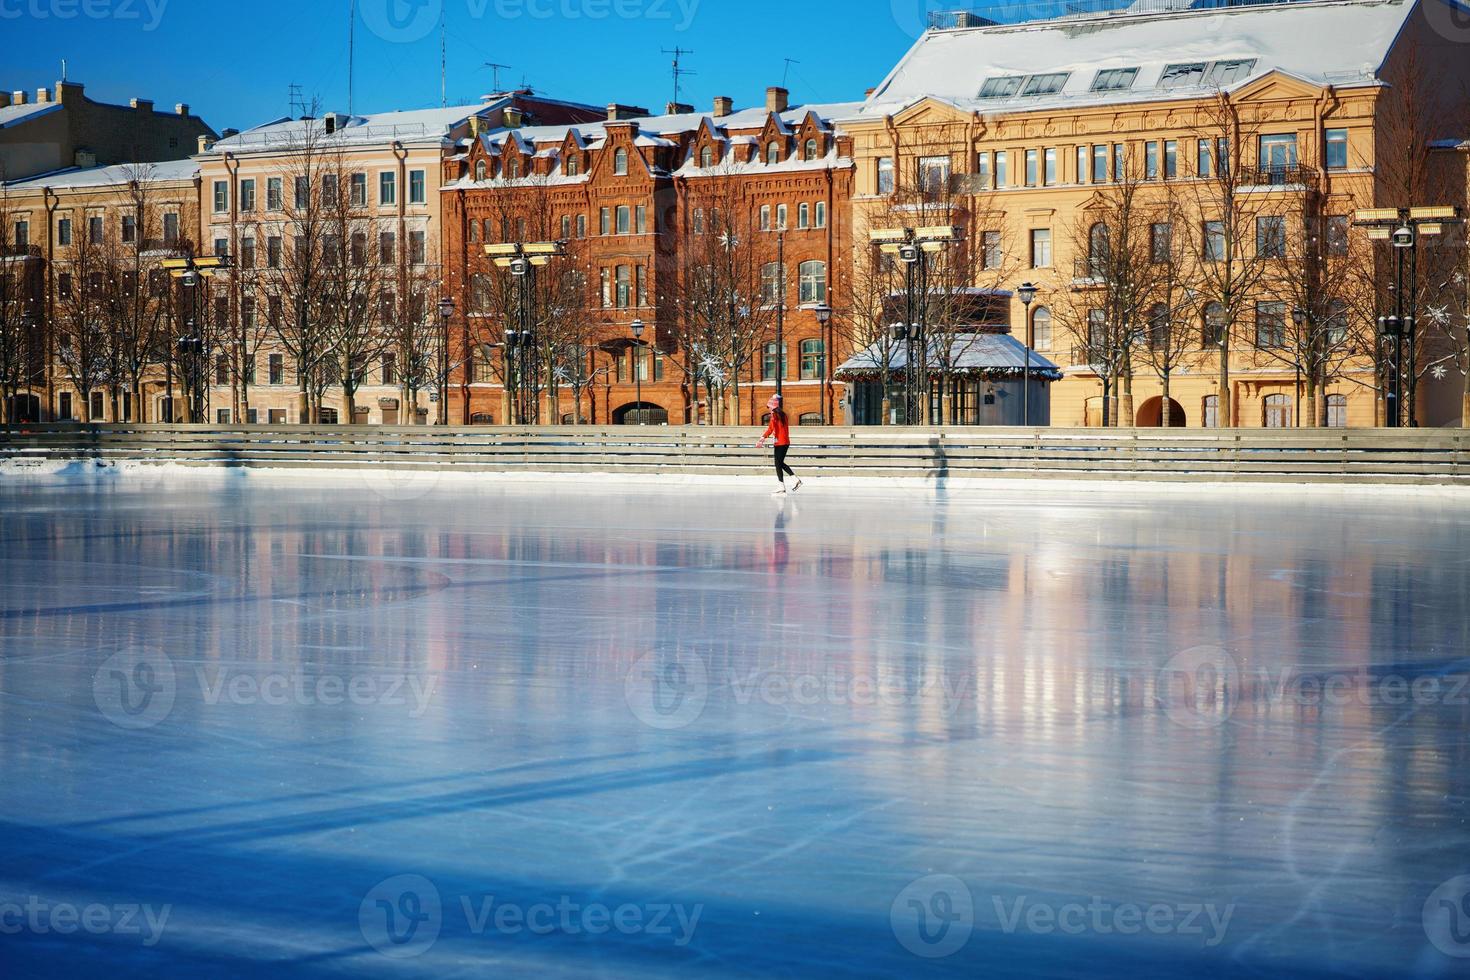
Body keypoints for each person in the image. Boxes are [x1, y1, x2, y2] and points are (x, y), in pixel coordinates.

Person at [756, 394, 801, 494]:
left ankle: (791, 482)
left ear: (772, 407)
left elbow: (771, 428)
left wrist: (762, 438)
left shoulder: (775, 416)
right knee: (779, 463)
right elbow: (774, 428)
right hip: (785, 442)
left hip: (780, 442)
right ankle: (787, 483)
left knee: (778, 464)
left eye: (769, 407)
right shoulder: (783, 415)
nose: (769, 410)